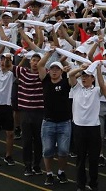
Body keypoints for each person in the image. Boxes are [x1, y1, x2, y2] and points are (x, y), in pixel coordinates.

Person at [37, 51, 71, 186]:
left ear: (62, 71)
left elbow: (75, 75)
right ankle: (49, 173)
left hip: (64, 122)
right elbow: (40, 65)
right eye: (52, 69)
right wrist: (49, 53)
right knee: (47, 150)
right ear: (49, 71)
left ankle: (61, 171)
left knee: (63, 150)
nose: (54, 71)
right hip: (48, 122)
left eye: (57, 69)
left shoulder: (66, 82)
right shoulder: (45, 80)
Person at [69, 63, 102, 191]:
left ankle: (93, 184)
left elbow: (105, 84)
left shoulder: (97, 90)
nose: (84, 78)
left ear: (93, 79)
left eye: (87, 76)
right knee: (80, 159)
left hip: (93, 128)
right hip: (79, 128)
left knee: (94, 159)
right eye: (83, 76)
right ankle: (80, 185)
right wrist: (81, 69)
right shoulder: (76, 88)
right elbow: (71, 75)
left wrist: (98, 70)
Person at [0, 51, 15, 167]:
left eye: (6, 60)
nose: (3, 62)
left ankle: (8, 156)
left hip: (7, 106)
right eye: (1, 59)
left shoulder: (12, 74)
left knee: (10, 133)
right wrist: (1, 47)